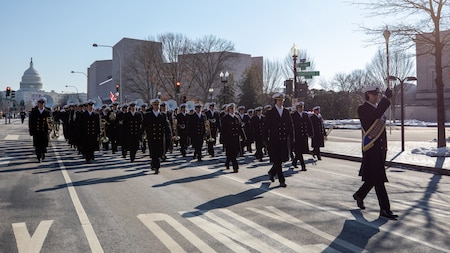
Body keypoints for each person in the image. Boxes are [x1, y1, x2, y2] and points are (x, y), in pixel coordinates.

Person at [353, 85, 398, 220]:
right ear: (367, 95)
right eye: (374, 94)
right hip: (371, 149)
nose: (376, 96)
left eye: (378, 94)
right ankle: (385, 208)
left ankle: (360, 195)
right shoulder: (363, 109)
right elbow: (375, 116)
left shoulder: (376, 108)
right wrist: (385, 99)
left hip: (380, 150)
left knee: (373, 178)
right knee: (379, 179)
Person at [263, 93, 294, 187]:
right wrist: (265, 140)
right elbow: (266, 127)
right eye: (279, 100)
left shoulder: (286, 112)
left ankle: (272, 172)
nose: (281, 102)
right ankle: (281, 180)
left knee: (282, 160)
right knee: (277, 160)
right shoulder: (271, 112)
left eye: (282, 100)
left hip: (283, 140)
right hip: (274, 140)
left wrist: (292, 137)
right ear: (275, 101)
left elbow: (290, 125)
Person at [142, 99, 171, 174]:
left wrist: (169, 134)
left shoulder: (163, 115)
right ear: (152, 106)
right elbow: (143, 126)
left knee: (160, 152)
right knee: (153, 152)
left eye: (157, 105)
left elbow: (167, 126)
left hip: (160, 137)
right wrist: (141, 134)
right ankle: (156, 167)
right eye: (155, 105)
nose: (156, 106)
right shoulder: (148, 115)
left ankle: (154, 164)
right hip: (152, 137)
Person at [221, 103, 246, 172]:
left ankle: (227, 163)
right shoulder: (225, 118)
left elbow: (240, 128)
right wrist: (223, 140)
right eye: (231, 109)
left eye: (233, 109)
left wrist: (244, 137)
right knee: (232, 153)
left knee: (233, 153)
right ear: (228, 110)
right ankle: (235, 166)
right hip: (229, 139)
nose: (232, 110)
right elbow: (223, 130)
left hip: (236, 139)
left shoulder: (237, 117)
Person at [29, 97, 51, 162]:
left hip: (44, 131)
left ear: (44, 104)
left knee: (44, 144)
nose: (41, 105)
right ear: (38, 104)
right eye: (39, 103)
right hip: (37, 131)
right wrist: (31, 130)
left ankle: (43, 154)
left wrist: (50, 129)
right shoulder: (34, 112)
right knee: (37, 145)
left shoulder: (47, 112)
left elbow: (50, 121)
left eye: (42, 103)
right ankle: (38, 156)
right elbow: (31, 122)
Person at [291, 101, 313, 171]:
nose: (301, 108)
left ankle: (294, 162)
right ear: (297, 108)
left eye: (302, 107)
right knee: (299, 151)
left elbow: (309, 124)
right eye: (300, 107)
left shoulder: (305, 115)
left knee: (299, 151)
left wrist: (310, 133)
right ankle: (303, 166)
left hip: (303, 136)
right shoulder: (293, 115)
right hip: (297, 137)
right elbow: (291, 126)